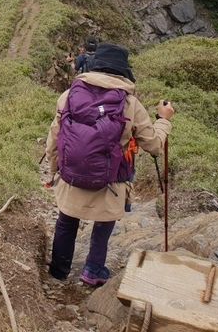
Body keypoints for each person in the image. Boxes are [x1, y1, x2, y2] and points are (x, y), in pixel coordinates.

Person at [44, 42, 174, 286]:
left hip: (71, 177)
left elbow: (54, 139)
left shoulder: (69, 95)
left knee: (66, 220)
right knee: (103, 224)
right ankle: (93, 271)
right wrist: (164, 120)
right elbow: (154, 145)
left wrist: (54, 173)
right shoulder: (129, 104)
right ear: (123, 71)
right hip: (110, 181)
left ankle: (59, 271)